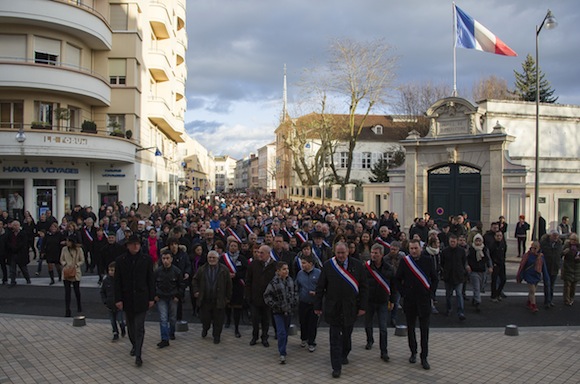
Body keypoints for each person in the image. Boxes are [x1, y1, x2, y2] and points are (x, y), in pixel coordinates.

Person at [314, 242, 368, 379]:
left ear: (348, 252)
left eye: (343, 253)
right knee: (334, 339)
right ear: (334, 252)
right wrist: (318, 306)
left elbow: (364, 287)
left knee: (347, 337)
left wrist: (362, 306)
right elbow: (320, 288)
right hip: (333, 308)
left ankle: (344, 353)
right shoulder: (328, 266)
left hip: (350, 307)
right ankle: (336, 366)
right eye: (338, 253)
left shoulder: (357, 265)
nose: (341, 256)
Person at [396, 239, 438, 370]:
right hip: (410, 300)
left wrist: (431, 294)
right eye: (411, 249)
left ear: (420, 248)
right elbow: (397, 279)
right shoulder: (405, 261)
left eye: (416, 248)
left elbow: (435, 278)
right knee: (411, 328)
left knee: (424, 330)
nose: (414, 251)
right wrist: (403, 293)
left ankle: (424, 356)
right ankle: (413, 352)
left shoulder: (428, 260)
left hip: (424, 300)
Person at [114, 235, 155, 367]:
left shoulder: (146, 259)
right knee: (131, 326)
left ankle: (138, 354)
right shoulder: (120, 260)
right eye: (133, 244)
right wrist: (118, 299)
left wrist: (151, 298)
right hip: (127, 299)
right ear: (128, 245)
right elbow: (117, 282)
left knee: (139, 327)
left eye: (137, 244)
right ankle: (134, 345)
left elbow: (151, 280)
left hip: (142, 298)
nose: (135, 246)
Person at [364, 243, 395, 362]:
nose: (373, 255)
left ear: (381, 254)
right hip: (369, 301)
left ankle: (384, 351)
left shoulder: (389, 268)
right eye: (372, 252)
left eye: (376, 253)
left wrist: (392, 301)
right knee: (368, 323)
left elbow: (393, 286)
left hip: (382, 301)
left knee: (383, 327)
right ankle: (369, 340)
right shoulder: (366, 267)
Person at [192, 250, 232, 344]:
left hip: (219, 300)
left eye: (213, 258)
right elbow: (195, 280)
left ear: (218, 259)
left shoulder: (224, 270)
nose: (211, 259)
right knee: (205, 319)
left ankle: (216, 336)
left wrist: (227, 298)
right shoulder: (202, 269)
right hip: (205, 300)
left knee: (218, 321)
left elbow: (229, 285)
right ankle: (205, 329)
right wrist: (196, 291)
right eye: (210, 257)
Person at [263, 261, 298, 364]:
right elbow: (267, 296)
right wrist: (275, 305)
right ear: (278, 271)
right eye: (284, 269)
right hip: (278, 312)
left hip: (289, 311)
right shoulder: (273, 283)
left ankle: (284, 347)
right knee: (281, 332)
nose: (286, 271)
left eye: (287, 269)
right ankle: (282, 352)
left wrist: (294, 301)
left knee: (285, 332)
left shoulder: (290, 280)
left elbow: (295, 292)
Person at [154, 249, 184, 348]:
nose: (165, 261)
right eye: (163, 258)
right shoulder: (157, 271)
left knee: (172, 318)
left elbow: (181, 285)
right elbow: (153, 284)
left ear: (171, 259)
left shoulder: (177, 271)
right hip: (161, 297)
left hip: (173, 297)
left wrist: (178, 296)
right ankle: (164, 339)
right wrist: (155, 295)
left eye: (167, 258)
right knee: (163, 318)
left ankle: (172, 332)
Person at [221, 240, 248, 338]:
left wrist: (236, 275)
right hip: (226, 285)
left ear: (238, 247)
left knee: (237, 307)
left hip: (238, 286)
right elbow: (220, 269)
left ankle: (236, 328)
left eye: (235, 246)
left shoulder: (242, 259)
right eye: (231, 246)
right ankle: (228, 320)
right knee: (227, 305)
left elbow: (245, 271)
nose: (233, 247)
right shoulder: (223, 258)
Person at [295, 254, 321, 352]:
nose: (302, 265)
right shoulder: (300, 274)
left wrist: (316, 293)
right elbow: (296, 286)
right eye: (302, 263)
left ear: (310, 263)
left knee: (312, 323)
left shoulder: (318, 273)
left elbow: (323, 287)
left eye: (304, 263)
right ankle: (303, 338)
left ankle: (311, 342)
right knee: (303, 322)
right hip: (303, 302)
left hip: (314, 303)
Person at [516, 241, 550, 313]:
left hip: (536, 275)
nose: (533, 249)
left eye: (535, 248)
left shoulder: (541, 256)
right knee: (532, 291)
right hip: (529, 274)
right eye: (532, 248)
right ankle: (533, 305)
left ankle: (529, 301)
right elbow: (522, 266)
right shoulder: (527, 255)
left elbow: (544, 267)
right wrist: (520, 276)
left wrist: (546, 277)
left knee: (533, 291)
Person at [440, 234, 467, 320]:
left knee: (459, 294)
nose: (452, 243)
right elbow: (442, 263)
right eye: (451, 241)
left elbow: (463, 262)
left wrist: (463, 272)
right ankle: (449, 309)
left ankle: (461, 312)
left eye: (454, 242)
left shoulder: (461, 251)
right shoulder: (445, 251)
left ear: (457, 242)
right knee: (448, 295)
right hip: (448, 276)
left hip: (458, 276)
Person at [466, 234, 492, 312]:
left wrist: (490, 267)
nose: (478, 242)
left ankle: (475, 298)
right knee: (476, 287)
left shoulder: (484, 249)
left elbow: (488, 258)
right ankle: (478, 302)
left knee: (480, 287)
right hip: (474, 270)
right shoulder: (471, 249)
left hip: (483, 270)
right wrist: (467, 265)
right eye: (476, 241)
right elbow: (466, 258)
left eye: (479, 240)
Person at [100, 261, 126, 341]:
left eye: (113, 270)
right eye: (110, 270)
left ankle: (122, 328)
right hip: (110, 304)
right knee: (112, 321)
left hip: (119, 305)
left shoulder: (120, 281)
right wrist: (105, 301)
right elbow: (102, 291)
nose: (111, 272)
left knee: (120, 320)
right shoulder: (106, 280)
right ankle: (115, 333)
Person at [60, 236, 85, 317]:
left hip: (76, 271)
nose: (67, 243)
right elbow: (61, 259)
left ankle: (79, 305)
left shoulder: (79, 250)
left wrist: (77, 265)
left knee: (76, 290)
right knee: (67, 292)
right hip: (66, 270)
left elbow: (82, 260)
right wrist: (65, 264)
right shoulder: (64, 249)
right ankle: (67, 309)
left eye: (68, 241)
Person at [540, 230, 562, 308]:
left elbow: (560, 255)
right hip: (546, 266)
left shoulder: (559, 244)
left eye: (557, 236)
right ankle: (547, 301)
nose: (556, 237)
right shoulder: (544, 243)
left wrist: (559, 264)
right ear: (550, 236)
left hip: (555, 266)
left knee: (552, 285)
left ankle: (550, 300)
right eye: (554, 235)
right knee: (547, 284)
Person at [7, 220, 31, 287]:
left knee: (23, 268)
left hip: (21, 253)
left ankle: (27, 279)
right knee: (12, 269)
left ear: (19, 226)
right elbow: (7, 242)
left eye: (16, 225)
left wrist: (16, 247)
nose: (15, 227)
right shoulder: (10, 234)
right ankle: (13, 281)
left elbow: (24, 243)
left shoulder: (23, 233)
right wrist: (12, 247)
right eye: (14, 225)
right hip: (12, 253)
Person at [488, 231, 508, 302]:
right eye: (497, 236)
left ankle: (498, 293)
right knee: (494, 280)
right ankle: (493, 296)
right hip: (495, 264)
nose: (499, 237)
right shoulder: (492, 245)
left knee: (503, 279)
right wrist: (491, 264)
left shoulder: (503, 244)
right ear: (495, 236)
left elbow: (504, 252)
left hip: (502, 263)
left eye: (500, 236)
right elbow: (489, 255)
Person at [561, 233, 580, 306]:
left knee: (574, 285)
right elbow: (560, 254)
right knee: (567, 285)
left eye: (575, 240)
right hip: (568, 267)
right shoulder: (566, 246)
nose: (573, 241)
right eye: (572, 239)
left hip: (577, 268)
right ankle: (566, 299)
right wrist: (564, 252)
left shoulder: (579, 247)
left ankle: (572, 298)